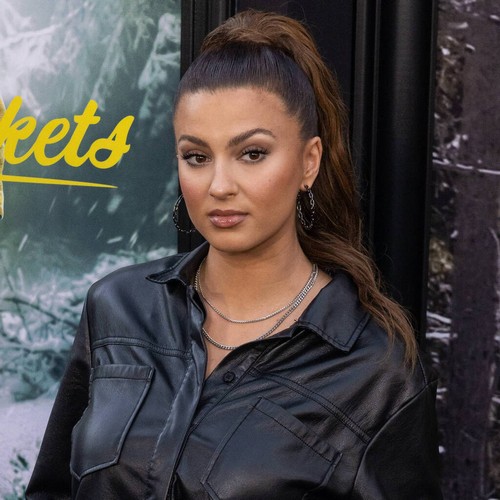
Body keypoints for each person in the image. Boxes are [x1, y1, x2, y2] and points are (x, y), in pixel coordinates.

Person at [26, 10, 442, 499]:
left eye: (252, 153)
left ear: (309, 161)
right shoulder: (117, 308)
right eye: (197, 157)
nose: (219, 185)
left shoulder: (376, 371)